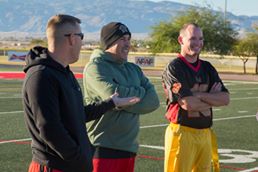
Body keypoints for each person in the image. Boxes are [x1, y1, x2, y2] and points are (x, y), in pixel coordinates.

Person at [22, 14, 140, 172]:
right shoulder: (41, 75)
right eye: (81, 36)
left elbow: (76, 114)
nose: (82, 42)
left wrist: (111, 103)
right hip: (56, 167)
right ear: (71, 38)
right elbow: (49, 129)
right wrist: (78, 160)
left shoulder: (64, 72)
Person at [83, 22, 160, 172]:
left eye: (128, 39)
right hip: (102, 147)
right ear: (109, 42)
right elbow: (112, 95)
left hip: (129, 148)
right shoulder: (95, 67)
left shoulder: (134, 69)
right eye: (122, 39)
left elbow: (153, 101)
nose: (127, 44)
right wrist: (141, 92)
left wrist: (124, 101)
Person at [162, 23, 230, 172]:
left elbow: (225, 99)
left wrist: (198, 95)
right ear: (181, 40)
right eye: (193, 38)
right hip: (182, 133)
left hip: (205, 133)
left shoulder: (207, 67)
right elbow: (188, 104)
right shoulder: (174, 68)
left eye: (201, 38)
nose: (198, 43)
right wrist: (212, 98)